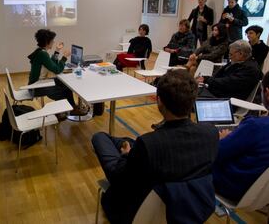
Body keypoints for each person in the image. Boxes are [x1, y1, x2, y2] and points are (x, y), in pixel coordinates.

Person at [92, 69, 219, 224]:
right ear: (193, 100)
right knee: (129, 141)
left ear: (159, 101)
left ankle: (125, 148)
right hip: (193, 208)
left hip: (138, 211)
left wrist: (126, 155)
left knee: (100, 137)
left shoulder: (149, 144)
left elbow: (118, 178)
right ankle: (127, 145)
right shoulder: (211, 133)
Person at [213, 71, 269, 202]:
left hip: (234, 187)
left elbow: (218, 154)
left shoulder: (256, 126)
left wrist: (224, 139)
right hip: (261, 194)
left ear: (267, 92)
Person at [27, 29, 87, 116]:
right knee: (63, 90)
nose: (53, 42)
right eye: (52, 40)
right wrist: (64, 57)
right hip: (36, 88)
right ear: (48, 42)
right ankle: (67, 110)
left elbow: (51, 64)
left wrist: (57, 51)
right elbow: (57, 70)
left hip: (37, 83)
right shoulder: (43, 54)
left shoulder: (40, 51)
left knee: (64, 84)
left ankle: (68, 109)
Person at [197, 40, 262, 100]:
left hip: (225, 98)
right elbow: (219, 76)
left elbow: (228, 82)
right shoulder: (238, 62)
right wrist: (205, 78)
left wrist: (207, 80)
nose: (229, 57)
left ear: (240, 54)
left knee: (190, 97)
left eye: (231, 54)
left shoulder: (250, 69)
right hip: (217, 92)